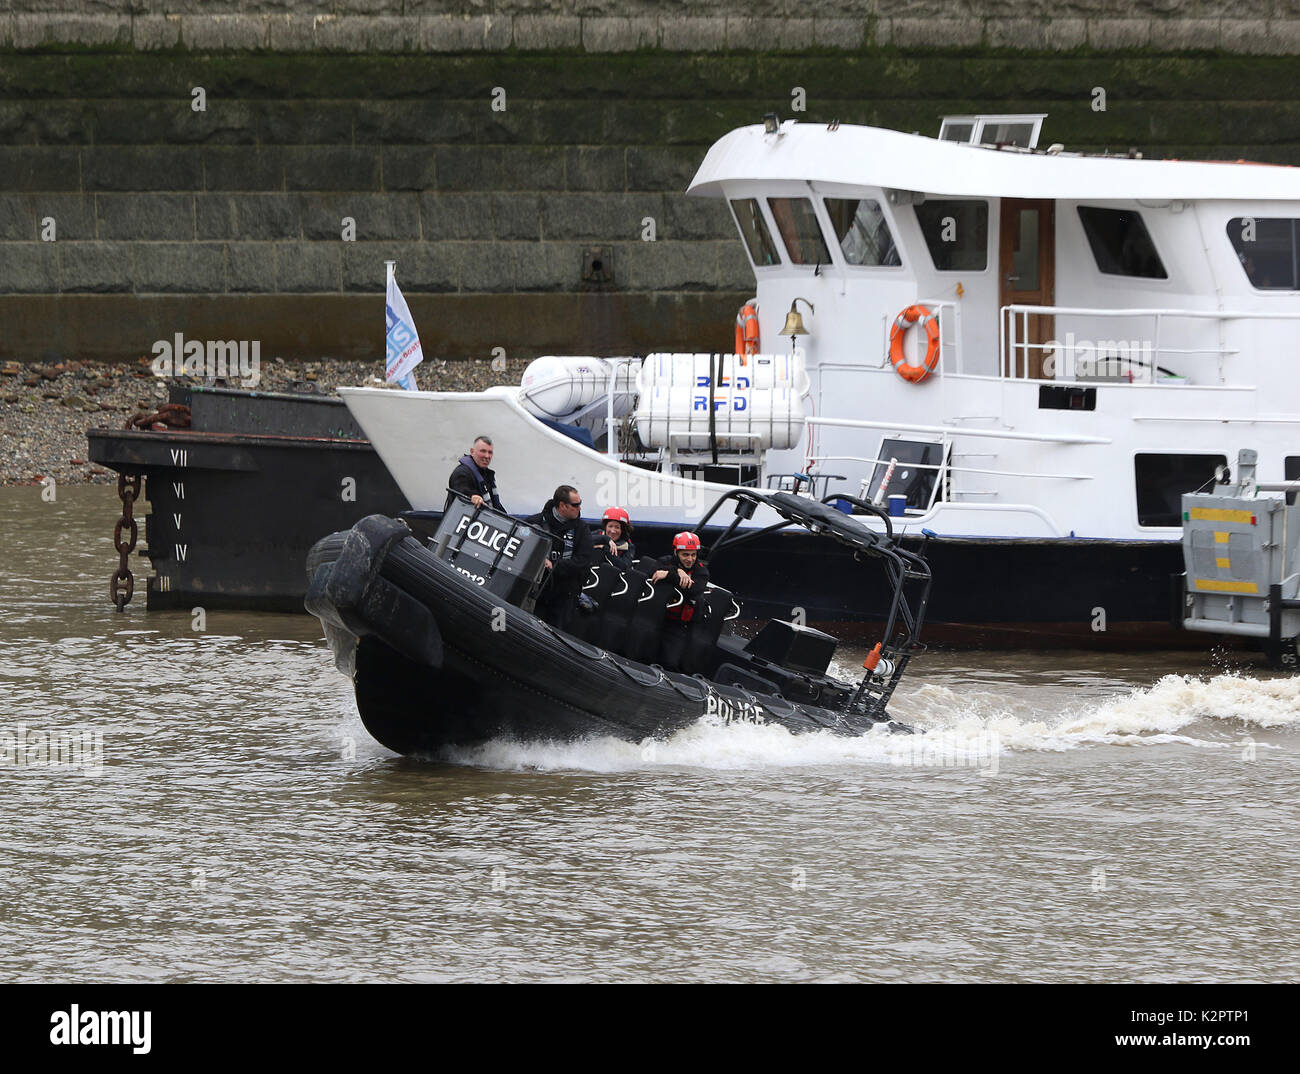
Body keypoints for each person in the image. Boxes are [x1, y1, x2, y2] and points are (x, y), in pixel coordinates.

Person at [525, 485, 593, 631]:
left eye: (580, 503)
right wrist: (538, 559)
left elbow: (583, 561)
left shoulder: (582, 529)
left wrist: (554, 565)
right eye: (576, 505)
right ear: (562, 505)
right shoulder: (535, 521)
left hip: (564, 595)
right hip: (536, 590)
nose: (579, 508)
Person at [651, 532, 710, 670]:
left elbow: (694, 589)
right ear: (676, 553)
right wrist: (677, 571)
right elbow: (653, 571)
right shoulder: (665, 561)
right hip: (656, 616)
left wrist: (669, 575)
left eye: (693, 555)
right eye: (685, 555)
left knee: (671, 662)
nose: (690, 559)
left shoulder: (702, 572)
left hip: (678, 625)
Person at [446, 435, 504, 511]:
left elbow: (496, 505)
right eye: (483, 451)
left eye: (490, 452)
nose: (487, 456)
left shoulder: (487, 474)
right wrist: (472, 496)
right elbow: (461, 489)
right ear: (472, 452)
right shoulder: (461, 473)